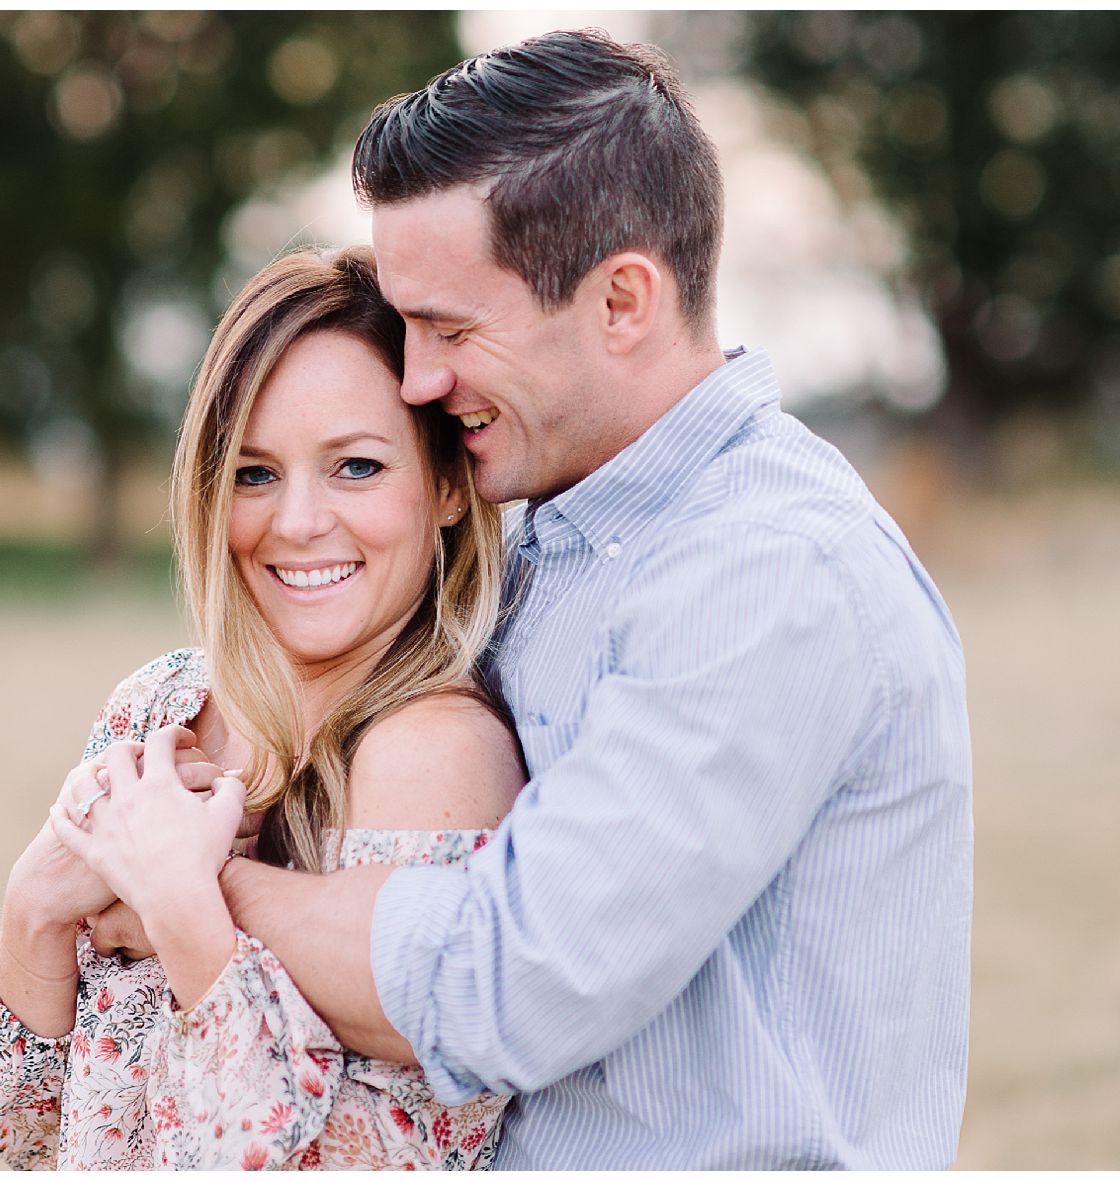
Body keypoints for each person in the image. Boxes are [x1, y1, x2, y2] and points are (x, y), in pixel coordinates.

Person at [185, 29, 976, 1169]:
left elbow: (500, 988)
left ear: (622, 301)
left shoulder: (766, 573)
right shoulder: (556, 526)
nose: (415, 378)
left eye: (451, 329)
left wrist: (196, 890)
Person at [0, 246, 526, 1169]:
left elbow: (367, 1161)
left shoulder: (435, 755)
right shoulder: (163, 703)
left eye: (357, 467)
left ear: (448, 486)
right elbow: (12, 1118)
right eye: (255, 473)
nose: (295, 521)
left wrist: (183, 908)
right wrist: (34, 910)